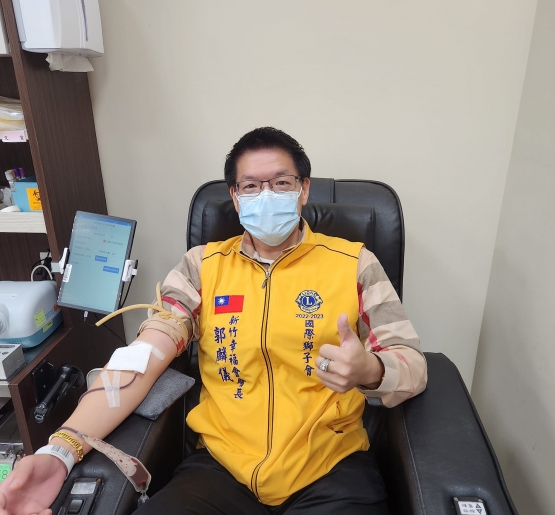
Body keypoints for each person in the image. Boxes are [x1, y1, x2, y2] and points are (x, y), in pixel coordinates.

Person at [0, 128, 427, 515]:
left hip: (330, 466)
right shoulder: (202, 266)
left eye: (281, 183)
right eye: (251, 186)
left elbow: (412, 366)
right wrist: (61, 451)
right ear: (236, 197)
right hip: (221, 468)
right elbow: (142, 358)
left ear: (303, 190)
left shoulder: (354, 264)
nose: (266, 194)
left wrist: (370, 370)